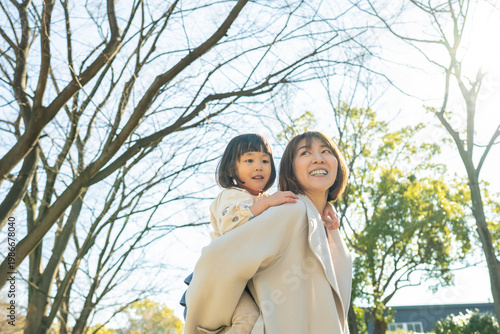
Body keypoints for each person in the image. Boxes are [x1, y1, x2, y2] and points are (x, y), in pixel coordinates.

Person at [184, 131, 352, 334]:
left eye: (265, 161)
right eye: (305, 153)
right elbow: (219, 248)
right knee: (246, 320)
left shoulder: (317, 222)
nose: (318, 158)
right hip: (225, 290)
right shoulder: (252, 202)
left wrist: (324, 208)